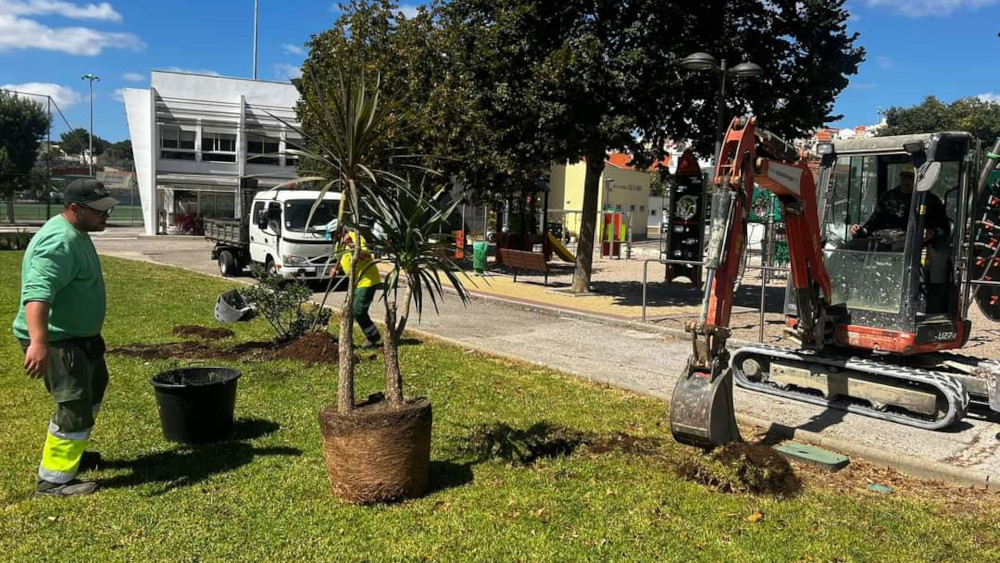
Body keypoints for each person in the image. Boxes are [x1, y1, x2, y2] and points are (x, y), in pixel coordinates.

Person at [13, 178, 118, 497]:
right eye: (100, 210)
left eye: (108, 208)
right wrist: (39, 342)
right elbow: (37, 296)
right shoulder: (59, 242)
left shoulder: (77, 231)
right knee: (73, 404)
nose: (107, 215)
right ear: (74, 209)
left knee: (92, 391)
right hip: (59, 341)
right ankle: (53, 480)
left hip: (80, 337)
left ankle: (73, 452)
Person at [845, 169, 949, 251]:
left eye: (910, 178)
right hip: (883, 239)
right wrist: (861, 230)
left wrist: (932, 232)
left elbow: (944, 228)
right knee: (849, 247)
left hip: (912, 241)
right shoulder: (888, 197)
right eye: (904, 177)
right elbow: (875, 221)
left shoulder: (930, 200)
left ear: (919, 179)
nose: (906, 181)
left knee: (900, 250)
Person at [338, 229, 382, 349]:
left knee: (358, 310)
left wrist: (351, 244)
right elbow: (341, 257)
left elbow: (367, 256)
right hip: (355, 282)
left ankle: (373, 337)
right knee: (348, 311)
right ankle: (346, 340)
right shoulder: (338, 242)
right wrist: (335, 268)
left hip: (367, 280)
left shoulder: (355, 237)